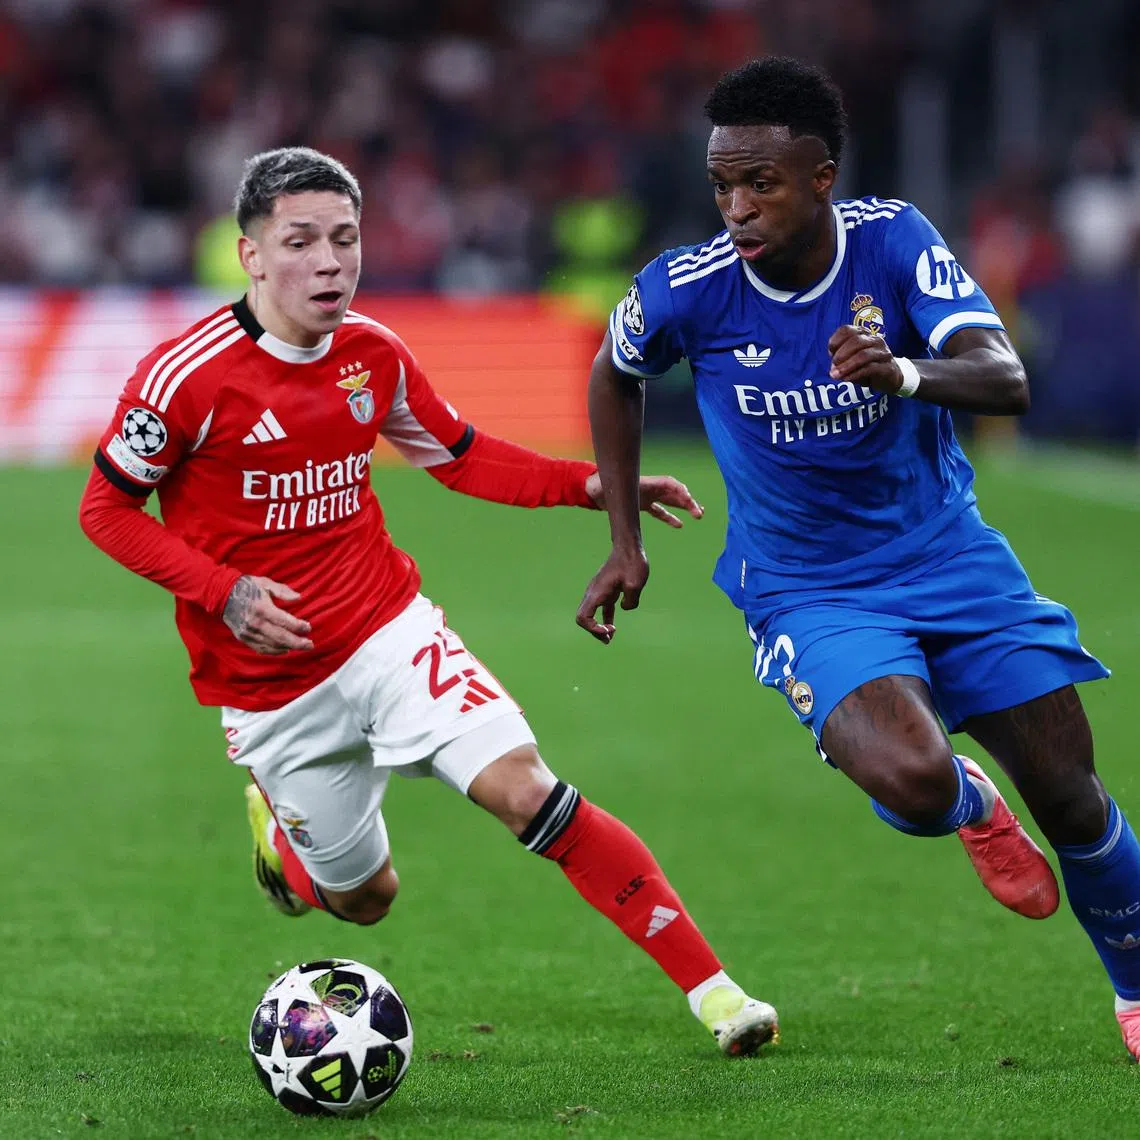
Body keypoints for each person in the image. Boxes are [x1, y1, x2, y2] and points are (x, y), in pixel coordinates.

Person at [78, 146, 778, 1059]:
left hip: (387, 634)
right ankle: (282, 844)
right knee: (367, 902)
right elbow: (104, 508)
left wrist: (593, 484)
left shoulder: (373, 354)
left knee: (526, 791)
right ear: (250, 254)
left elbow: (459, 453)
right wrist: (224, 590)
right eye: (301, 242)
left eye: (346, 238)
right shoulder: (186, 379)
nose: (330, 261)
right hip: (270, 687)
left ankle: (718, 994)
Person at [577, 56, 1140, 1060]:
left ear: (821, 176)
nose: (737, 209)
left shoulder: (892, 244)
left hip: (949, 556)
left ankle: (1136, 991)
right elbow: (611, 375)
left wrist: (904, 371)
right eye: (722, 187)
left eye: (762, 184)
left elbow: (1003, 376)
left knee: (1075, 797)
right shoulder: (689, 290)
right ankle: (971, 802)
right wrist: (623, 540)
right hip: (806, 587)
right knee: (917, 783)